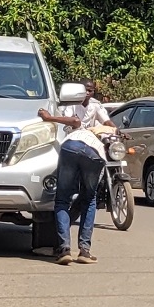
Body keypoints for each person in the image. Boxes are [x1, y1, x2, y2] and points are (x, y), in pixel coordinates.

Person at [38, 85, 113, 264]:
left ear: (93, 92)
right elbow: (83, 122)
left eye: (90, 90)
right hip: (94, 153)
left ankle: (64, 249)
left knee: (62, 200)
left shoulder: (94, 105)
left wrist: (48, 118)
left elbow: (82, 122)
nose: (87, 93)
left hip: (70, 147)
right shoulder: (71, 104)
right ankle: (84, 251)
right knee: (89, 199)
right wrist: (114, 130)